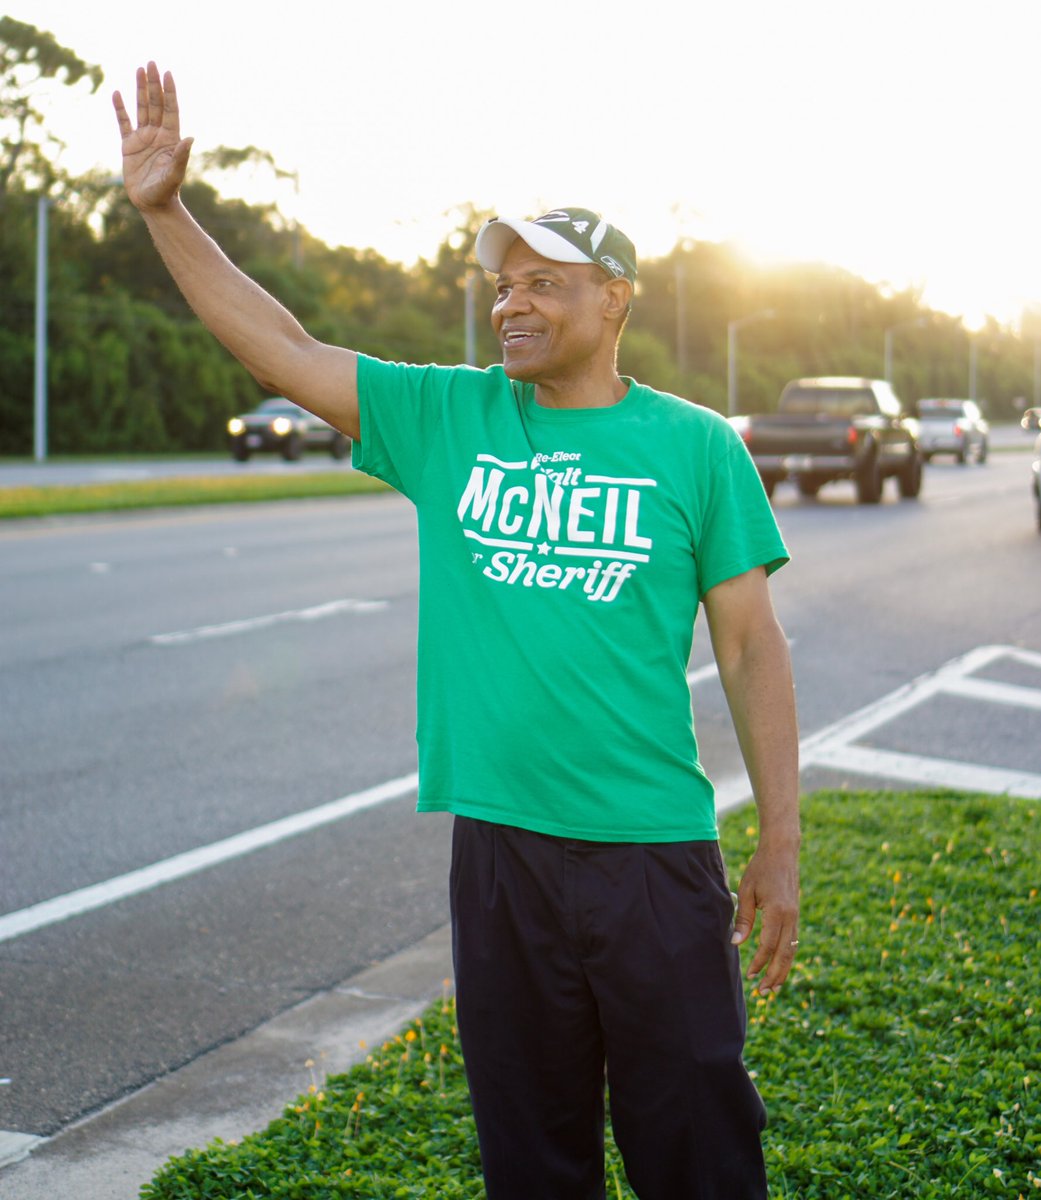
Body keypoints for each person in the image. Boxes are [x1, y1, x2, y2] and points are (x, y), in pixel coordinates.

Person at [114, 62, 800, 1200]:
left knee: (698, 1152)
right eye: (502, 284)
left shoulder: (695, 447)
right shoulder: (453, 417)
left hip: (652, 860)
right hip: (499, 856)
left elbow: (749, 649)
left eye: (543, 282)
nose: (511, 303)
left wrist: (777, 841)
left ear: (616, 298)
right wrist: (166, 210)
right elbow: (278, 347)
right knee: (532, 1162)